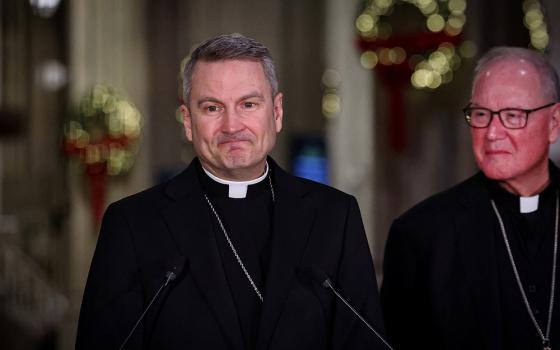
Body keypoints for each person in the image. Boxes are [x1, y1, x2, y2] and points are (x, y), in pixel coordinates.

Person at [76, 33, 385, 349]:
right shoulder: (133, 225)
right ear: (187, 121)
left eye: (248, 104)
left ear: (276, 113)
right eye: (212, 108)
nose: (232, 126)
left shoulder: (334, 216)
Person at [381, 46, 560, 350]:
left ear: (554, 123)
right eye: (480, 114)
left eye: (512, 116)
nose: (491, 132)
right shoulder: (421, 235)